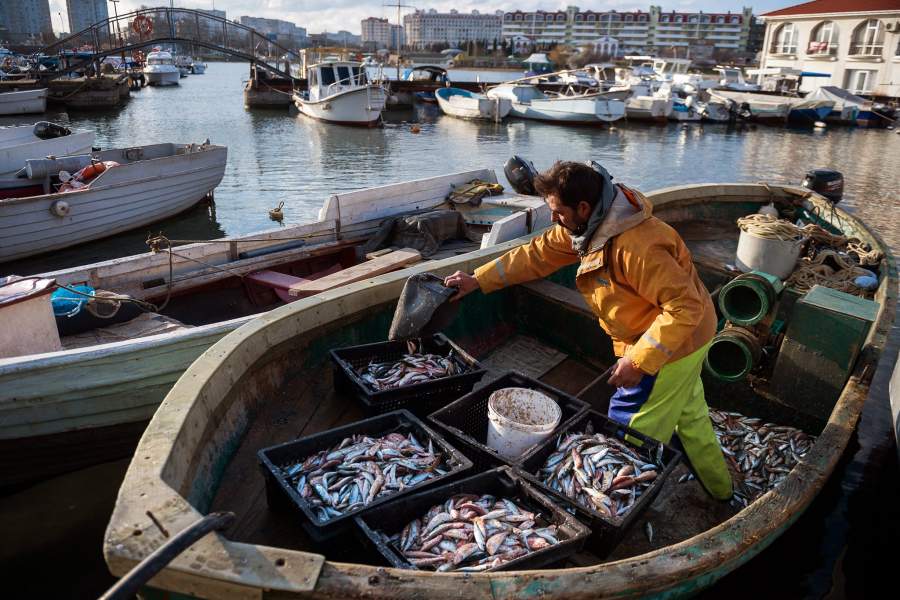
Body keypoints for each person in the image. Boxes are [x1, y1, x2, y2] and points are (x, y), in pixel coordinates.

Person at [444, 161, 732, 500]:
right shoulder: (589, 227)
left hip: (672, 346)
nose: (554, 219)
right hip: (688, 336)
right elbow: (535, 255)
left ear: (583, 207)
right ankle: (724, 493)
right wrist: (477, 280)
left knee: (627, 434)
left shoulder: (638, 246)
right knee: (691, 420)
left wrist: (639, 361)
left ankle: (618, 506)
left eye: (558, 212)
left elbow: (684, 308)